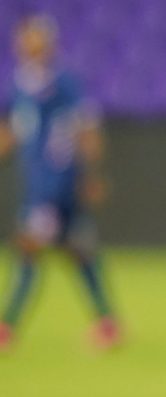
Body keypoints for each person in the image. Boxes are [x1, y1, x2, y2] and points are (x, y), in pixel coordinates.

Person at [0, 15, 119, 350]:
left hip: (56, 183)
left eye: (34, 40)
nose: (28, 45)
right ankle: (108, 323)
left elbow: (86, 128)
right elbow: (12, 130)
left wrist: (92, 174)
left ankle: (7, 327)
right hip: (39, 182)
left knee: (27, 248)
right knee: (78, 251)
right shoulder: (20, 84)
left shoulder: (63, 82)